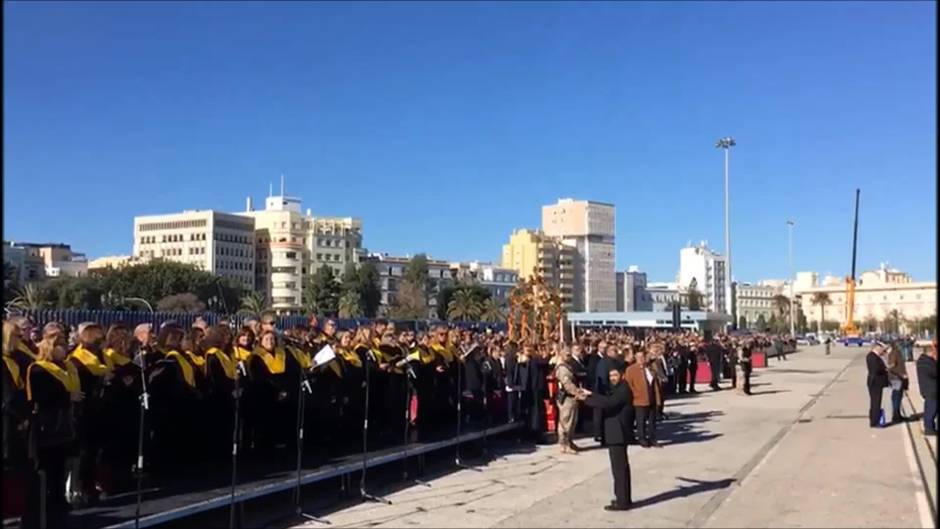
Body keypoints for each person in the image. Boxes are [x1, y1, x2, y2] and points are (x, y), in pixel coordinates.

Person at [23, 334, 82, 529]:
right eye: (59, 345)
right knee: (47, 471)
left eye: (65, 345)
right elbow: (42, 396)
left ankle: (59, 505)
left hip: (64, 425)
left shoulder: (66, 367)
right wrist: (67, 396)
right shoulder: (39, 369)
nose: (64, 349)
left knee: (60, 469)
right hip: (47, 426)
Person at [577, 367, 634, 511]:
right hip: (616, 433)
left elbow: (608, 403)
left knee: (619, 469)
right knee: (620, 469)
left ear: (622, 375)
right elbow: (607, 399)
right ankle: (623, 498)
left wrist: (586, 399)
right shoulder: (619, 388)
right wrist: (591, 394)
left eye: (615, 375)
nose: (612, 378)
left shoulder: (623, 389)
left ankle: (622, 502)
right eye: (610, 376)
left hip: (618, 433)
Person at [625, 348, 661, 448]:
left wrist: (657, 399)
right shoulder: (631, 369)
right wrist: (635, 395)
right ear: (635, 358)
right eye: (639, 357)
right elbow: (628, 385)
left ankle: (653, 439)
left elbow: (655, 384)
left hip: (651, 398)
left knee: (652, 421)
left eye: (643, 357)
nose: (641, 359)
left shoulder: (649, 368)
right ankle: (642, 439)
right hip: (639, 400)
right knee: (641, 422)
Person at [553, 346, 580, 455]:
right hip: (566, 397)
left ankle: (570, 441)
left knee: (573, 421)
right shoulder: (562, 368)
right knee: (566, 421)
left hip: (572, 397)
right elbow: (567, 384)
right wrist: (577, 392)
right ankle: (564, 444)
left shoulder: (569, 366)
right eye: (567, 355)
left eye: (569, 354)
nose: (569, 357)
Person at [916, 340, 937, 436]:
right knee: (931, 410)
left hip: (929, 389)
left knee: (931, 409)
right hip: (931, 390)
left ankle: (930, 427)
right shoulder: (926, 363)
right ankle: (929, 428)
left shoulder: (924, 361)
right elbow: (934, 372)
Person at [866, 342, 889, 428]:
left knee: (876, 402)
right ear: (876, 348)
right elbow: (875, 369)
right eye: (881, 349)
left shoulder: (875, 356)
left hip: (876, 381)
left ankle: (874, 419)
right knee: (875, 402)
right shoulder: (872, 356)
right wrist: (884, 369)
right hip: (875, 381)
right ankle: (875, 421)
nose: (882, 351)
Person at [885, 345, 909, 423]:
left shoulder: (893, 352)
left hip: (896, 376)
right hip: (897, 377)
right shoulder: (895, 352)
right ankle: (896, 416)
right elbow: (892, 364)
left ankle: (897, 414)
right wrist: (887, 368)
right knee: (897, 396)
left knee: (897, 396)